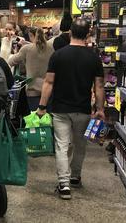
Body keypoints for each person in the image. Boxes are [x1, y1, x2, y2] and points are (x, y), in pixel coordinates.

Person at [37, 18, 105, 200]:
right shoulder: (94, 58)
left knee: (61, 145)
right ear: (87, 34)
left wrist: (42, 107)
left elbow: (48, 82)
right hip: (82, 109)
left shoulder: (58, 55)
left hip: (60, 108)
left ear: (70, 33)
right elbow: (99, 86)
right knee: (79, 145)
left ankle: (64, 184)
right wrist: (100, 109)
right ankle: (75, 176)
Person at [8, 27, 54, 111]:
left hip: (32, 89)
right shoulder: (51, 47)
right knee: (48, 118)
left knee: (34, 119)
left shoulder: (27, 49)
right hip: (49, 90)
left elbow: (11, 61)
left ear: (30, 35)